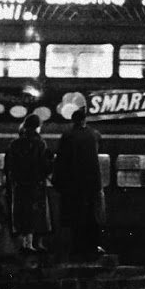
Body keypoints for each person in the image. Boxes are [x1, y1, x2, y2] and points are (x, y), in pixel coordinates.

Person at [53, 107, 105, 259]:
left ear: (73, 120)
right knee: (92, 217)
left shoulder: (67, 136)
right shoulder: (95, 135)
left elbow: (61, 161)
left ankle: (77, 247)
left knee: (76, 218)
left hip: (73, 185)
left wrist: (58, 181)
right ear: (85, 120)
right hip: (93, 184)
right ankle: (93, 246)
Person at [4, 115, 52, 253]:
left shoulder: (15, 143)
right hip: (36, 184)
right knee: (37, 213)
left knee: (22, 212)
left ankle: (25, 243)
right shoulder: (40, 143)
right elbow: (45, 166)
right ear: (38, 126)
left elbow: (10, 166)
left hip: (19, 184)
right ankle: (35, 243)